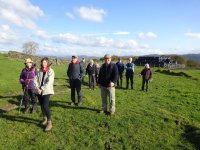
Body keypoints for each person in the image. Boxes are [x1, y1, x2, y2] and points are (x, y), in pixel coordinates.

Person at [34, 57, 54, 132]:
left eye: (45, 62)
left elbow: (49, 82)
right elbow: (35, 79)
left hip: (46, 91)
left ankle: (49, 122)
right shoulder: (39, 71)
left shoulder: (51, 71)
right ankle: (44, 118)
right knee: (42, 105)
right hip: (39, 91)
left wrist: (42, 88)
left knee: (45, 105)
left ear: (47, 63)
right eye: (42, 62)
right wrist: (37, 88)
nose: (43, 63)